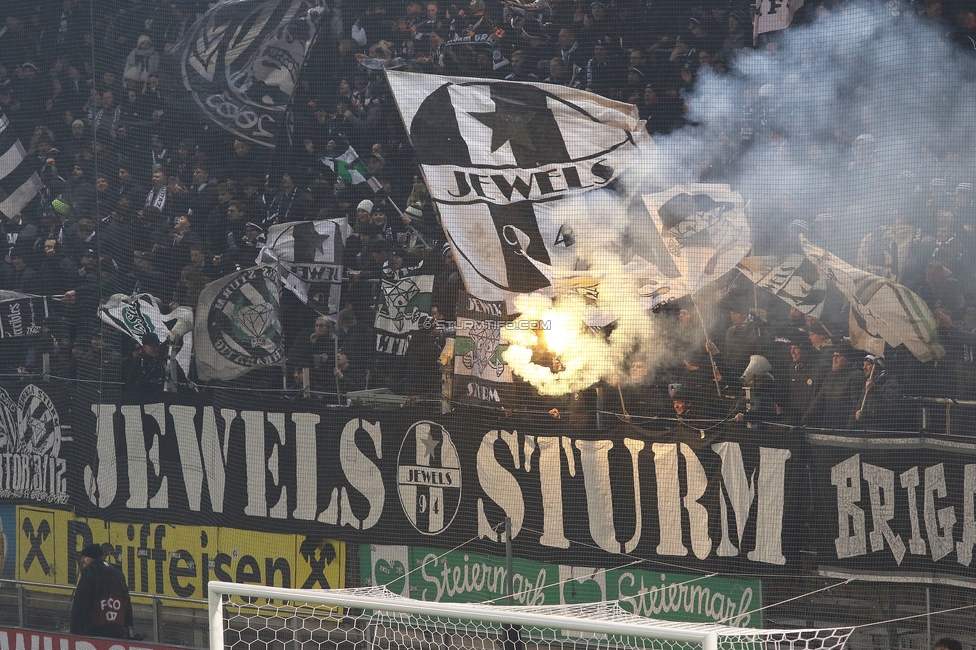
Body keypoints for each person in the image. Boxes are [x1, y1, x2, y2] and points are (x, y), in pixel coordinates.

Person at [70, 543, 134, 639]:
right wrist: (129, 628)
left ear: (92, 557)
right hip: (118, 630)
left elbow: (81, 602)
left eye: (85, 557)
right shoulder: (118, 573)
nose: (82, 560)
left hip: (95, 630)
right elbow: (127, 601)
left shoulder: (89, 572)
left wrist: (75, 629)